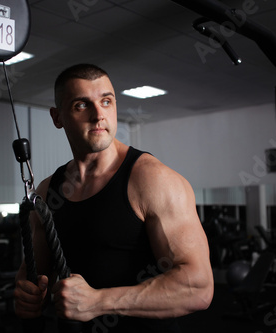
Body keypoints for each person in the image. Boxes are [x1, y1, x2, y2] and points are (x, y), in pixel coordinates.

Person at [14, 63, 213, 332]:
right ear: (57, 117)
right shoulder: (46, 192)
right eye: (82, 105)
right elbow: (34, 277)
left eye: (106, 101)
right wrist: (27, 297)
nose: (99, 116)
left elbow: (198, 287)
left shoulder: (153, 180)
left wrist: (99, 301)